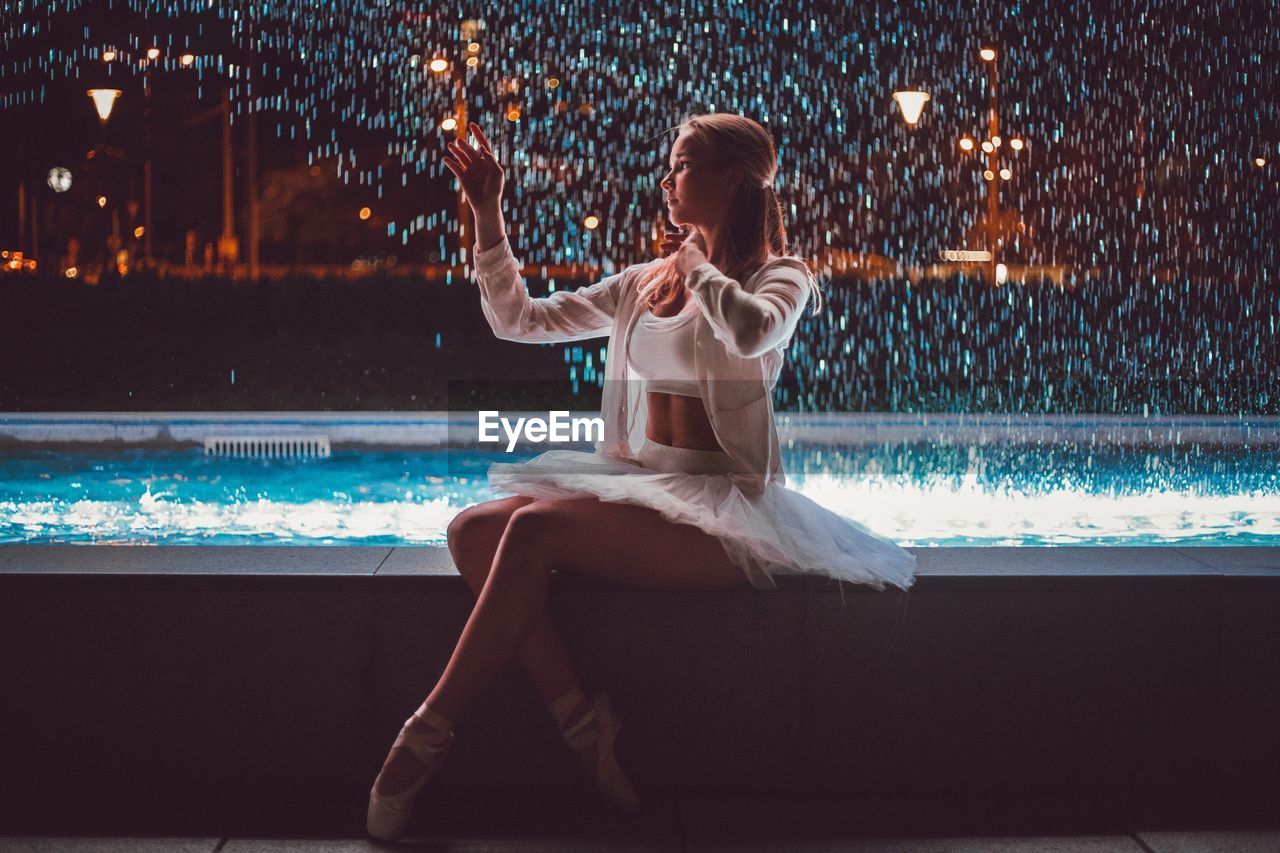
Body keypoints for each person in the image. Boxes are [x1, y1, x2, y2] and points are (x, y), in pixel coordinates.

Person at [367, 113, 916, 840]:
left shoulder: (781, 277)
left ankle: (423, 737)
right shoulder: (644, 283)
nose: (666, 179)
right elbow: (517, 319)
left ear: (731, 178)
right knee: (470, 530)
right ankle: (581, 720)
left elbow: (752, 330)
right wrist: (487, 210)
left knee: (530, 530)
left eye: (682, 164)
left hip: (723, 512)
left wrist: (699, 268)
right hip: (644, 490)